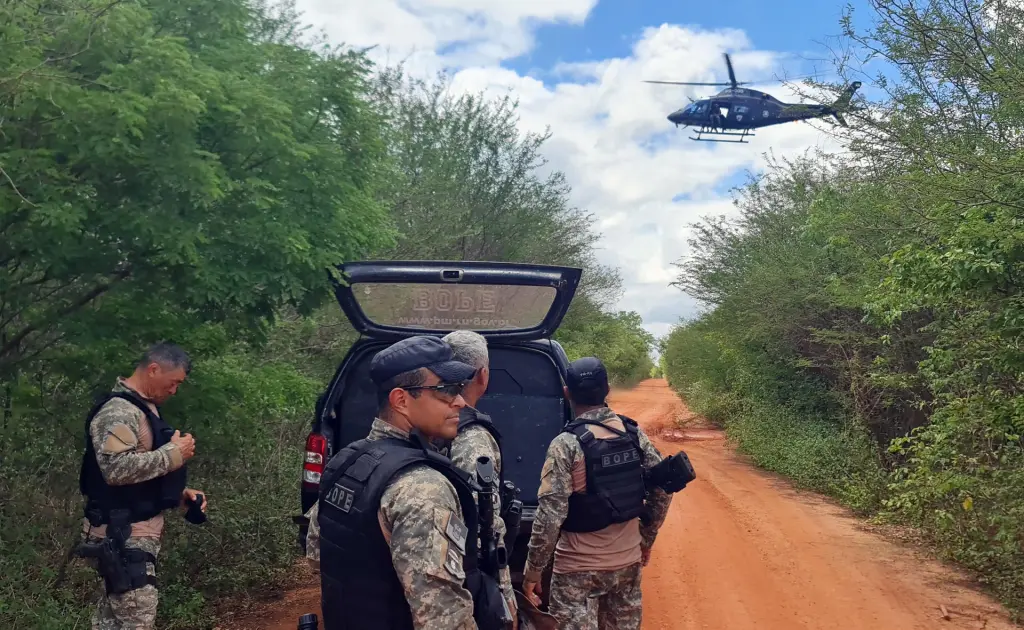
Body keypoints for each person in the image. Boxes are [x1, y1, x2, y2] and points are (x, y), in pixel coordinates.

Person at [306, 335, 513, 630]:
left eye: (458, 389)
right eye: (445, 390)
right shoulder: (422, 487)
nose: (459, 401)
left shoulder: (344, 463)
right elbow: (443, 619)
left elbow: (318, 557)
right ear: (401, 400)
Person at [520, 357, 673, 630]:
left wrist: (533, 570)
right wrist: (645, 539)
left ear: (567, 393)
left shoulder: (566, 444)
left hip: (575, 572)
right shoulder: (633, 435)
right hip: (626, 566)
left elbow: (550, 516)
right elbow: (663, 488)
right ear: (607, 389)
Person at [78, 342, 207, 630]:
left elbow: (136, 473)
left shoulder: (143, 408)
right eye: (173, 382)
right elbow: (115, 469)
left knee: (111, 624)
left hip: (128, 534)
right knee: (137, 623)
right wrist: (174, 454)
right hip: (122, 537)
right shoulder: (118, 412)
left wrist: (177, 495)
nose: (174, 391)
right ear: (153, 369)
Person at [441, 330, 517, 624]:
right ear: (483, 375)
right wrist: (503, 594)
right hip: (466, 572)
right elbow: (485, 526)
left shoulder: (424, 421)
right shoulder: (473, 437)